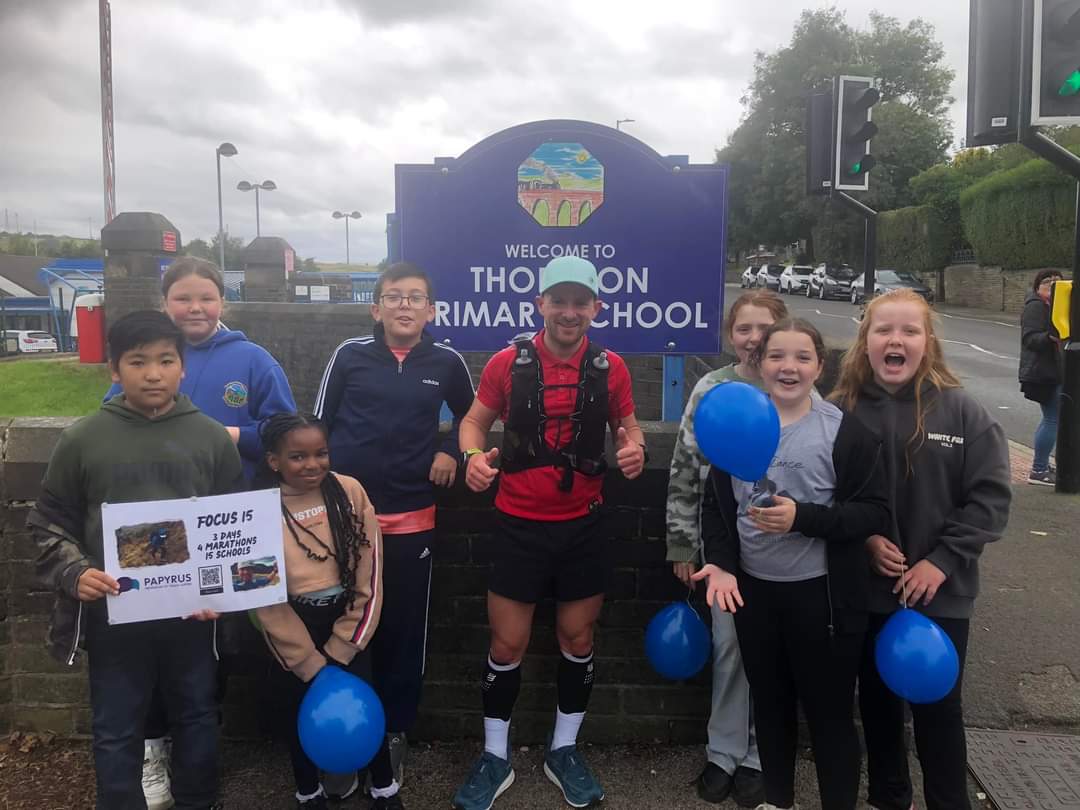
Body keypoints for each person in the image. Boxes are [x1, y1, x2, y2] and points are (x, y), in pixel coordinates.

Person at [451, 255, 646, 810]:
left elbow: (628, 428)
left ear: (595, 308)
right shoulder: (506, 364)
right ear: (540, 305)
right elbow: (472, 422)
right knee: (506, 643)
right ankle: (495, 757)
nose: (568, 311)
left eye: (579, 302)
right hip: (518, 524)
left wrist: (636, 448)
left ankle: (564, 750)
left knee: (577, 640)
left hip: (584, 525)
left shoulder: (612, 369)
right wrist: (470, 457)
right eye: (558, 300)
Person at [27, 310, 244, 810]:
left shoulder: (210, 438)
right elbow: (46, 522)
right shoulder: (82, 439)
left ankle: (198, 801)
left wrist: (222, 593)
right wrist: (73, 571)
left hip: (193, 618)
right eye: (138, 361)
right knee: (116, 725)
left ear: (182, 367)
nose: (153, 373)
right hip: (114, 616)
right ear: (113, 369)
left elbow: (234, 529)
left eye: (166, 360)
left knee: (197, 715)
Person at [104, 257, 297, 809]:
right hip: (151, 529)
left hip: (226, 529)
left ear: (223, 302)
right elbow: (112, 420)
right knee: (149, 642)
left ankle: (198, 755)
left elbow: (286, 431)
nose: (195, 308)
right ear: (165, 302)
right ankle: (153, 751)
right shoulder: (149, 357)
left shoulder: (253, 360)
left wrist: (235, 432)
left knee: (212, 646)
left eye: (206, 298)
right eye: (184, 298)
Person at [691, 318, 890, 810]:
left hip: (822, 599)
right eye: (777, 356)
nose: (789, 367)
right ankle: (777, 801)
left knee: (830, 718)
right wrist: (720, 564)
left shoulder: (845, 433)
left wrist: (804, 517)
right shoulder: (736, 423)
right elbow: (716, 507)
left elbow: (874, 512)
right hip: (755, 596)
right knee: (771, 708)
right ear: (759, 364)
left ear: (820, 366)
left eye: (802, 357)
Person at [831, 289, 1011, 810]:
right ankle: (891, 800)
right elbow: (825, 494)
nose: (896, 339)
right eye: (883, 329)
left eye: (910, 330)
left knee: (938, 713)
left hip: (942, 595)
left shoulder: (964, 413)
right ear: (865, 341)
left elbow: (991, 499)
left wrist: (942, 561)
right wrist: (862, 540)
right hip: (868, 594)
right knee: (881, 712)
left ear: (927, 342)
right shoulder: (840, 410)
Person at [314, 262, 474, 801]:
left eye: (416, 298)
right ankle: (339, 733)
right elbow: (317, 429)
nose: (404, 306)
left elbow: (473, 420)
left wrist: (449, 450)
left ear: (431, 311)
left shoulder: (447, 362)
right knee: (342, 626)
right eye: (393, 297)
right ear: (375, 307)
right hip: (345, 522)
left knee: (403, 631)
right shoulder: (348, 356)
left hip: (412, 520)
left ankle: (392, 731)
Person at [666, 291, 789, 806]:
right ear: (729, 335)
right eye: (744, 328)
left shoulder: (796, 383)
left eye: (765, 328)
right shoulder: (712, 388)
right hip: (723, 550)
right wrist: (681, 543)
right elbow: (685, 466)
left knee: (774, 655)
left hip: (787, 551)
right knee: (728, 650)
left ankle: (762, 757)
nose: (755, 338)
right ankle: (723, 753)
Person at [252, 413, 388, 809]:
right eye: (297, 457)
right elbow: (262, 595)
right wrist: (307, 659)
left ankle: (383, 785)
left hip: (348, 619)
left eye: (321, 453)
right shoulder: (259, 509)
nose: (312, 464)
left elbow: (371, 570)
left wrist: (345, 644)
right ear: (274, 461)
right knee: (298, 710)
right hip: (294, 625)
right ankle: (308, 791)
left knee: (366, 703)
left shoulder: (349, 492)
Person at [1019, 269, 1064, 486]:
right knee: (1052, 420)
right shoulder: (1036, 306)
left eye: (1057, 284)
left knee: (1052, 419)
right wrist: (1050, 338)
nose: (1053, 288)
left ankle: (1043, 464)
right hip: (1042, 373)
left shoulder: (1053, 307)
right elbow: (1030, 339)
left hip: (1052, 371)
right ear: (1039, 288)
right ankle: (1038, 470)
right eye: (1048, 285)